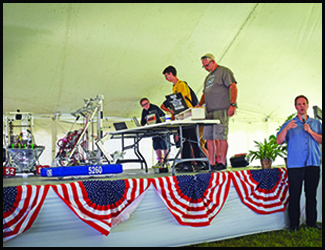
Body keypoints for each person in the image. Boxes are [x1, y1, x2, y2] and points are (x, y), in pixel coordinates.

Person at [276, 95, 322, 231]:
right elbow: (279, 141)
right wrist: (286, 129)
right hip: (295, 165)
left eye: (303, 104)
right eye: (299, 104)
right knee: (294, 194)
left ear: (307, 105)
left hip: (312, 164)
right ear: (295, 107)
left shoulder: (316, 123)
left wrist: (311, 131)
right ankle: (294, 224)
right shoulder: (290, 124)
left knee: (311, 194)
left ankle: (311, 222)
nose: (301, 106)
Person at [196, 53, 237, 171]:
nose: (206, 68)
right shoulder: (208, 78)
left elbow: (233, 87)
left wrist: (232, 104)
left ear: (213, 61)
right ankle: (212, 162)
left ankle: (222, 162)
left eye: (207, 65)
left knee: (221, 137)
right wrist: (200, 104)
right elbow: (205, 93)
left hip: (221, 109)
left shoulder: (224, 71)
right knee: (209, 138)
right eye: (203, 66)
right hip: (209, 111)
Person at [162, 66, 205, 172]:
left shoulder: (181, 84)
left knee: (192, 139)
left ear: (171, 74)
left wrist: (174, 110)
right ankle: (187, 162)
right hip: (181, 116)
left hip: (187, 115)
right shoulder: (174, 87)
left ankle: (199, 162)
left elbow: (182, 100)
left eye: (166, 75)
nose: (166, 78)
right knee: (185, 139)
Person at [140, 97, 169, 167]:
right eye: (143, 105)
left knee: (164, 144)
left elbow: (159, 118)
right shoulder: (144, 111)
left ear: (149, 102)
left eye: (146, 103)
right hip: (153, 130)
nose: (145, 106)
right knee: (156, 145)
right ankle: (160, 161)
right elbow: (143, 122)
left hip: (161, 128)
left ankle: (166, 162)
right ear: (142, 106)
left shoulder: (154, 108)